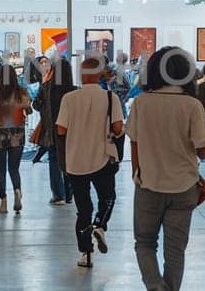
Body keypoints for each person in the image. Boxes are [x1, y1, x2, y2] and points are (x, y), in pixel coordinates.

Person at [126, 47, 205, 291]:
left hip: (148, 184)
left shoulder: (141, 103)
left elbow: (134, 144)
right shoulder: (191, 105)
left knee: (144, 243)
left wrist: (139, 174)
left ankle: (155, 287)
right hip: (184, 186)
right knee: (175, 250)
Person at [56, 56, 125, 268]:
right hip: (102, 158)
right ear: (100, 75)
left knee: (82, 209)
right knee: (108, 197)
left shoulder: (69, 98)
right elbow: (118, 128)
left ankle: (85, 254)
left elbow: (61, 129)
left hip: (76, 160)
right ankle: (100, 225)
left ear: (82, 75)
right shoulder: (110, 97)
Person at [0, 64, 33, 214]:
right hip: (17, 135)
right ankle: (17, 190)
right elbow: (29, 110)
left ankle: (3, 202)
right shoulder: (21, 92)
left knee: (0, 170)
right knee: (14, 169)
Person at [35, 58, 80, 206]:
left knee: (54, 160)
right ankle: (69, 194)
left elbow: (36, 104)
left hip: (52, 130)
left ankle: (58, 195)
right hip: (71, 130)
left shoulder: (46, 87)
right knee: (70, 160)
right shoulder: (75, 90)